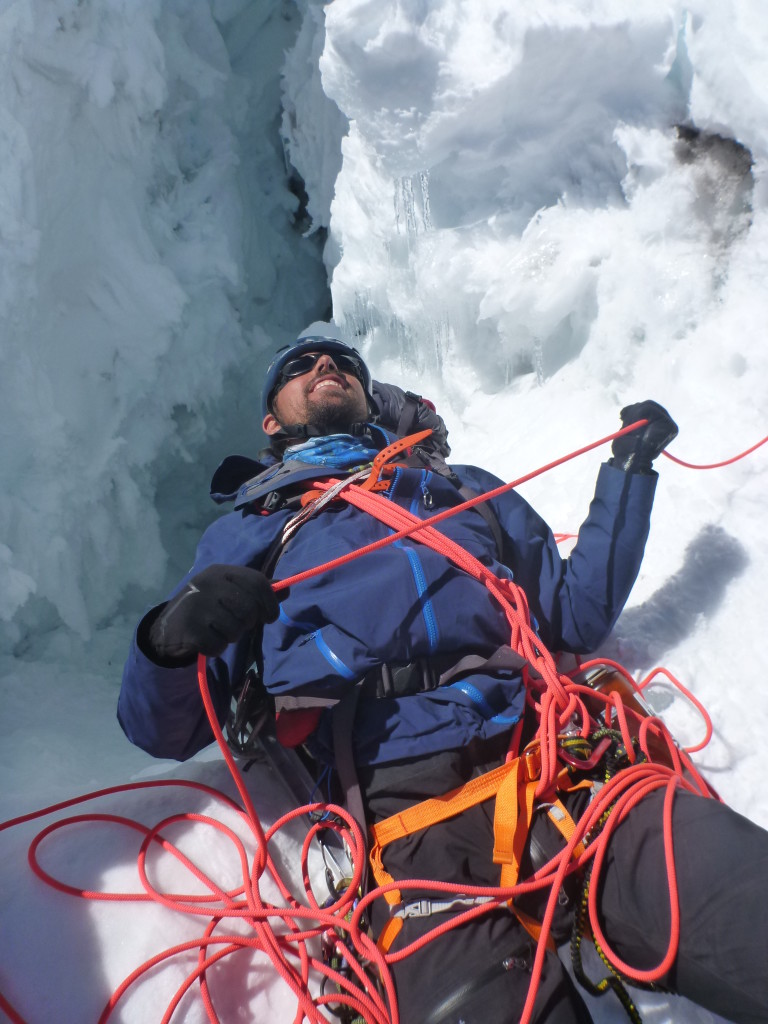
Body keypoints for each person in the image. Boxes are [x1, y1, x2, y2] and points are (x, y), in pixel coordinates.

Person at [119, 322, 768, 1024]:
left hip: (554, 766)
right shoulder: (248, 532)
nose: (325, 364)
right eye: (301, 364)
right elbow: (167, 729)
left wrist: (628, 475)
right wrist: (167, 641)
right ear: (273, 419)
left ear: (369, 397)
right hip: (401, 822)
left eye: (341, 360)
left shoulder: (457, 490)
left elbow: (572, 615)